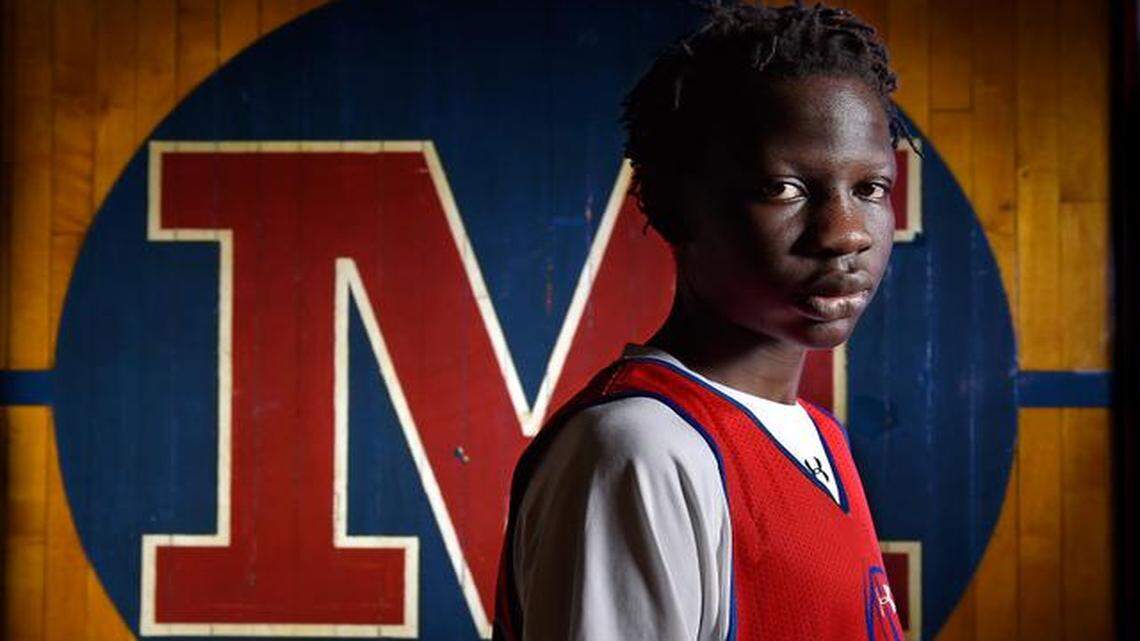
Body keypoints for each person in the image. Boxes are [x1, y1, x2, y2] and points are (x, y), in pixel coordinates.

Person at [493, 2, 917, 639]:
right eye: (784, 189)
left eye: (870, 189)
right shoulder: (640, 449)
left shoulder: (818, 436)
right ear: (670, 207)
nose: (845, 233)